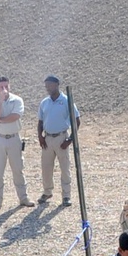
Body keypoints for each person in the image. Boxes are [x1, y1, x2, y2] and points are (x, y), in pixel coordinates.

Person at [0, 75, 33, 212]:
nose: (4, 89)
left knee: (18, 169)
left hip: (14, 138)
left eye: (6, 86)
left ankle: (23, 198)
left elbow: (16, 116)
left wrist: (0, 120)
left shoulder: (17, 100)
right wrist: (0, 101)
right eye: (1, 87)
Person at [36, 75, 78, 205]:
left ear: (57, 84)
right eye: (46, 86)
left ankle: (66, 195)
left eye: (50, 85)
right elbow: (40, 121)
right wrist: (40, 137)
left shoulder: (66, 101)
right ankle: (47, 192)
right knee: (46, 167)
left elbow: (76, 120)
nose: (47, 88)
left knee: (64, 168)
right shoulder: (44, 102)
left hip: (61, 138)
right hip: (48, 138)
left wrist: (70, 139)